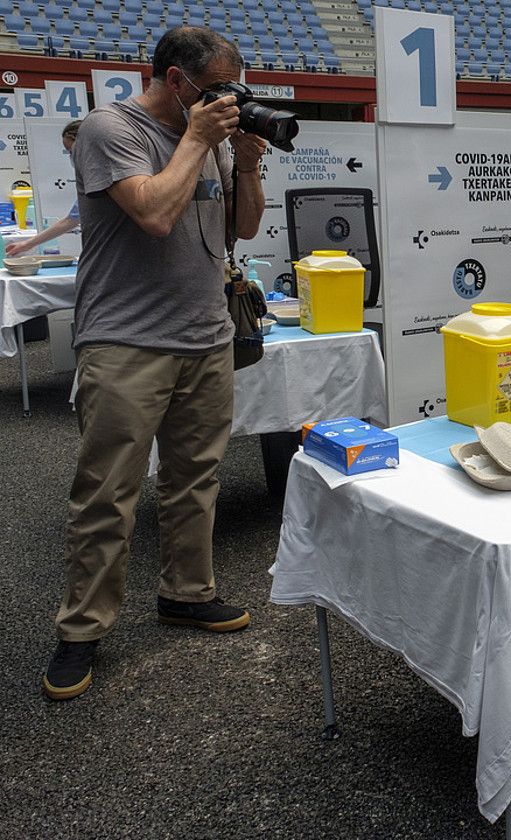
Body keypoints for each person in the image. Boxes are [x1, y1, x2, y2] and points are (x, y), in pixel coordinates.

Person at [43, 26, 267, 701]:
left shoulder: (218, 143)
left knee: (194, 478)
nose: (230, 102)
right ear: (177, 81)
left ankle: (186, 592)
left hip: (203, 335)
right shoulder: (110, 130)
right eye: (219, 89)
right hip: (126, 339)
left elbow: (245, 228)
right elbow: (153, 215)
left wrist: (248, 164)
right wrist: (199, 140)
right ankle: (80, 631)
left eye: (236, 89)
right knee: (108, 493)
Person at [5, 120, 82, 256]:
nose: (71, 157)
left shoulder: (109, 177)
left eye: (72, 151)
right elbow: (71, 220)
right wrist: (27, 244)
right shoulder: (89, 182)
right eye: (68, 153)